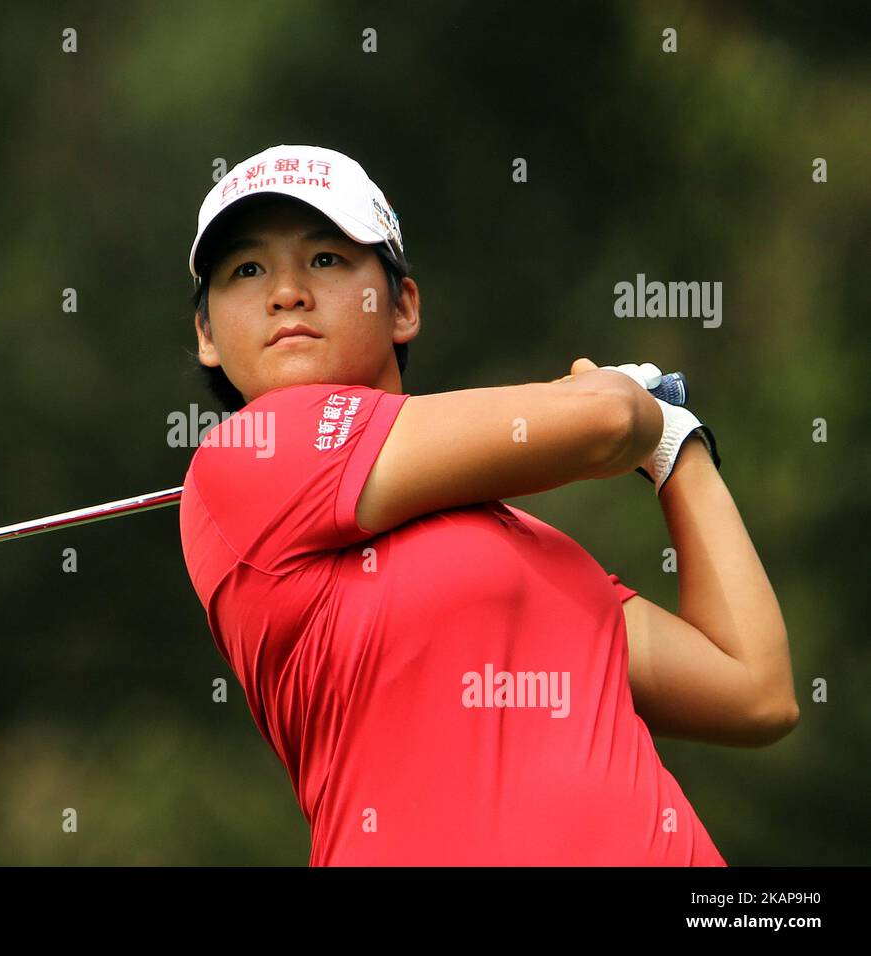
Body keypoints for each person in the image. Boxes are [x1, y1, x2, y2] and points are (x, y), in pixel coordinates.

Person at [177, 144, 799, 866]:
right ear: (207, 335)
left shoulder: (531, 545)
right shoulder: (248, 454)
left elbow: (755, 691)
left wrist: (677, 449)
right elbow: (603, 422)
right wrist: (628, 403)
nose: (286, 291)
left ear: (402, 305)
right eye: (246, 270)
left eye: (325, 259)